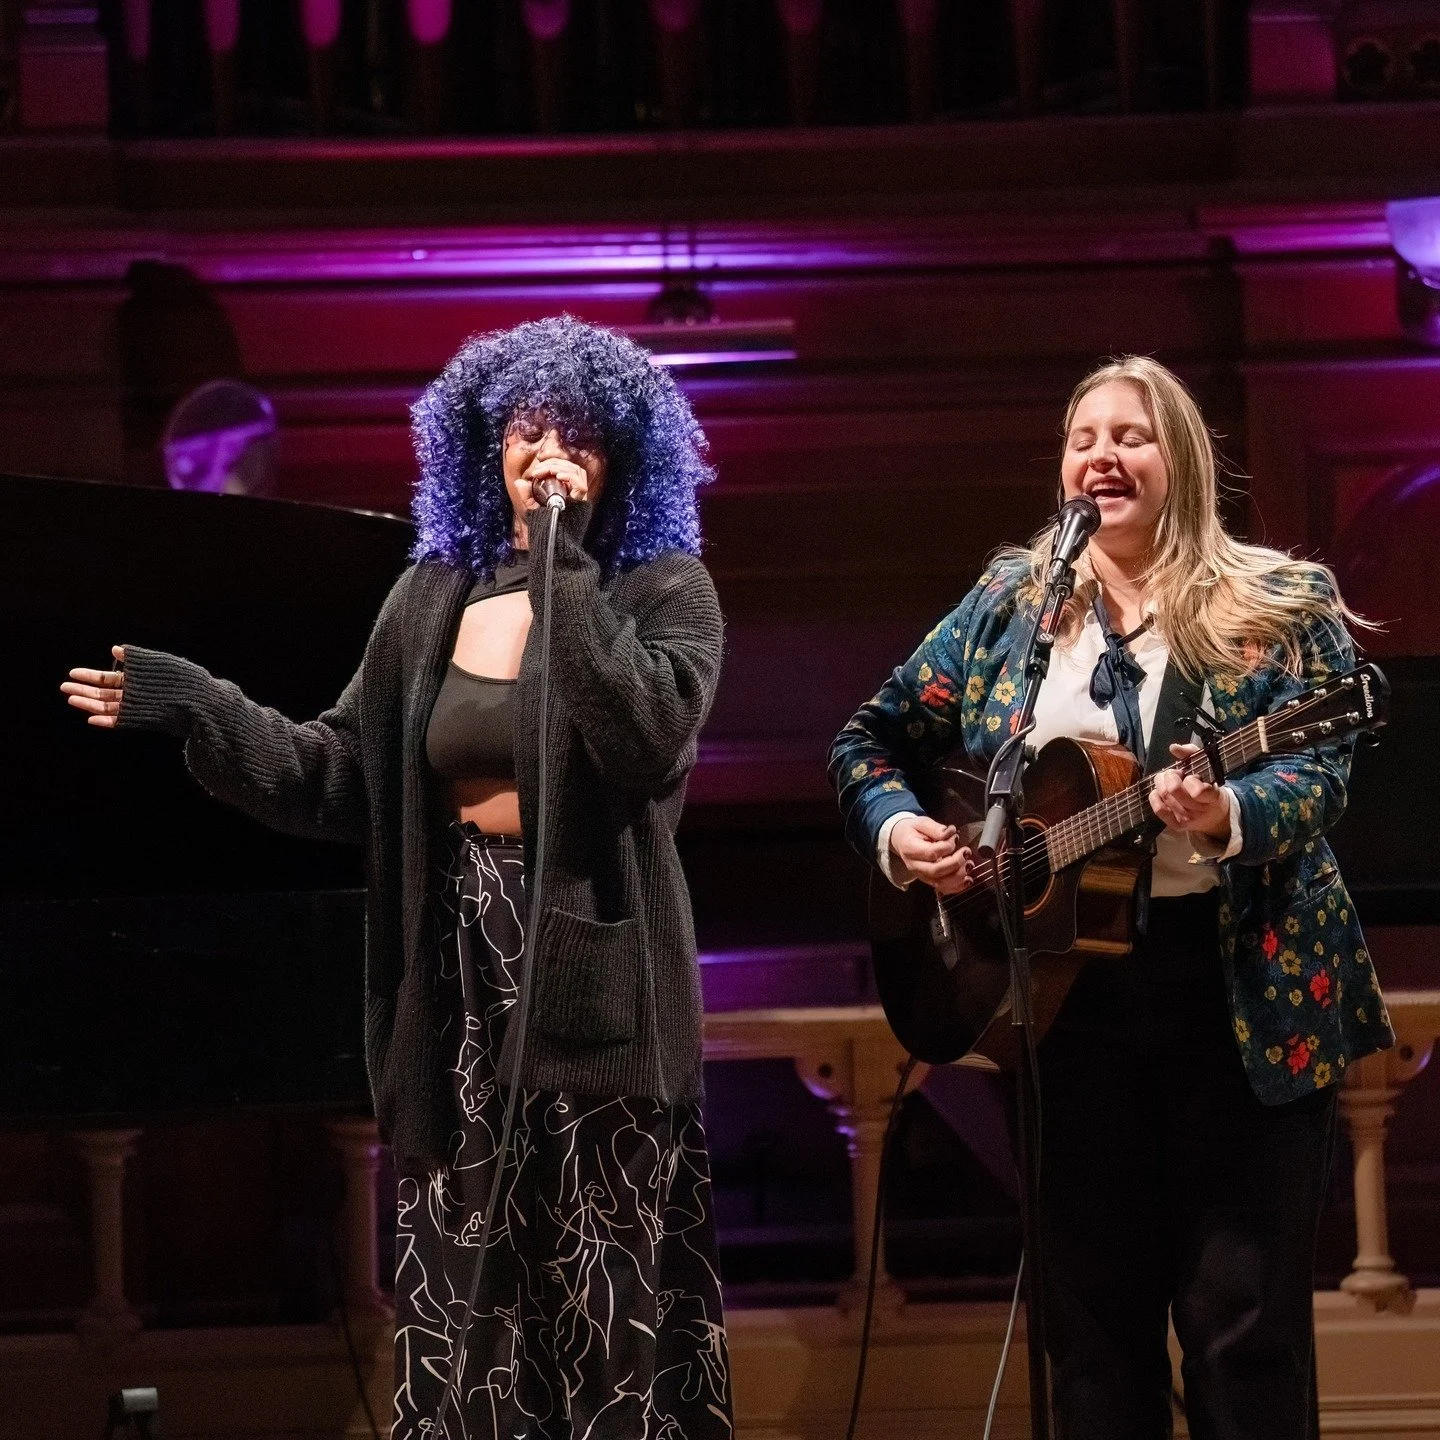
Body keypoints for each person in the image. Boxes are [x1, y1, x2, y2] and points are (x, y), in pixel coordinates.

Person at [64, 316, 733, 1440]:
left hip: (596, 993)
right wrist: (202, 708)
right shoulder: (430, 600)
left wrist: (561, 567)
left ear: (621, 457)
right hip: (454, 979)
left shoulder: (663, 593)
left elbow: (644, 738)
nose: (548, 452)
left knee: (603, 1316)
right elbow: (339, 777)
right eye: (526, 430)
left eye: (576, 434)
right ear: (487, 448)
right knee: (471, 1309)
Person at [828, 356, 1394, 1440]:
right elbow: (871, 738)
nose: (1102, 457)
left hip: (1237, 992)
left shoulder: (1278, 602)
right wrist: (902, 833)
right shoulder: (1012, 606)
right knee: (1091, 1343)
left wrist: (1222, 812)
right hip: (1064, 1008)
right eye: (1082, 439)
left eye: (1130, 436)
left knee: (1242, 1332)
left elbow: (1317, 773)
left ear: (1180, 458)